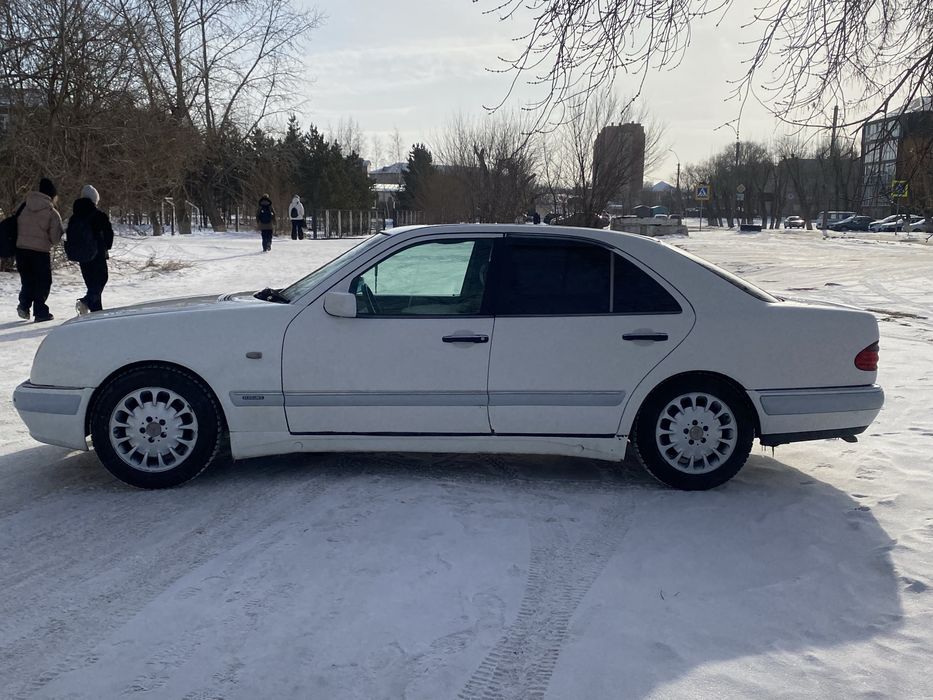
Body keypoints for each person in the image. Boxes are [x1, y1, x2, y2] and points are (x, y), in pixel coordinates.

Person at [15, 177, 64, 322]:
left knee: (28, 280)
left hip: (21, 250)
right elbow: (55, 239)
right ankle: (40, 311)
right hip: (40, 252)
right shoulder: (52, 212)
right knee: (43, 282)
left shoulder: (23, 205)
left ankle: (24, 305)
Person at [71, 185, 114, 314]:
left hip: (82, 255)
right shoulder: (99, 215)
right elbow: (108, 234)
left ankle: (96, 312)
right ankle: (87, 301)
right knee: (101, 279)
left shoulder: (75, 216)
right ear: (95, 200)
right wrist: (106, 246)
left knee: (91, 283)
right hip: (97, 253)